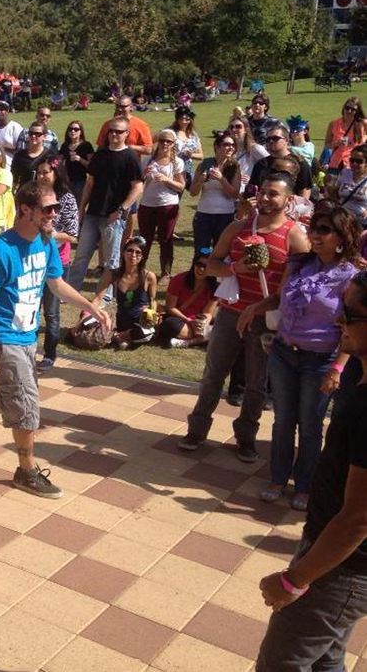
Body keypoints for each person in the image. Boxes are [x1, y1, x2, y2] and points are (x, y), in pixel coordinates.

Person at [0, 182, 110, 494]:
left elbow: (56, 283)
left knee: (14, 395)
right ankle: (26, 471)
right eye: (47, 209)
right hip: (3, 337)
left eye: (56, 208)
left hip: (27, 336)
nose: (54, 214)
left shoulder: (45, 242)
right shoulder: (0, 250)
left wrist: (90, 306)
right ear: (25, 210)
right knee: (27, 407)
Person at [254, 269, 367, 671]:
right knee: (325, 661)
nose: (338, 321)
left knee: (281, 664)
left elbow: (357, 519)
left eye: (349, 314)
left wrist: (295, 579)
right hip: (332, 556)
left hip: (342, 570)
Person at [179, 172, 310, 461]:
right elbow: (210, 266)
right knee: (213, 375)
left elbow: (300, 286)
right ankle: (197, 430)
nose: (264, 197)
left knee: (256, 382)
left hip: (267, 320)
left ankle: (246, 437)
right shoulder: (237, 228)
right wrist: (236, 268)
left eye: (273, 193)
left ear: (288, 200)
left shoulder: (295, 237)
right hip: (230, 313)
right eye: (262, 191)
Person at [238, 204, 360, 511]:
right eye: (313, 228)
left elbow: (354, 328)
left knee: (309, 425)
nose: (315, 236)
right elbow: (279, 297)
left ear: (341, 238)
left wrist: (337, 368)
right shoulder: (298, 264)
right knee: (282, 421)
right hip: (283, 353)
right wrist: (254, 308)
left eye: (324, 230)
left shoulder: (351, 277)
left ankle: (304, 484)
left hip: (319, 361)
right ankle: (278, 478)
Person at [68, 117, 144, 299]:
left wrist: (121, 210)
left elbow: (138, 187)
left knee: (112, 259)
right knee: (81, 255)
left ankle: (106, 294)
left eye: (118, 131)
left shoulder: (130, 157)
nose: (114, 135)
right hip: (93, 212)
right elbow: (90, 183)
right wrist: (81, 208)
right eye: (111, 131)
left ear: (127, 133)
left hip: (114, 216)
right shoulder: (100, 154)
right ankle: (71, 291)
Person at [35, 153, 79, 372]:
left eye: (46, 172)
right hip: (32, 259)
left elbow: (72, 235)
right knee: (32, 307)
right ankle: (27, 350)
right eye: (39, 172)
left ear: (55, 173)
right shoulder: (33, 196)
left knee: (51, 312)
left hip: (57, 261)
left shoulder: (67, 199)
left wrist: (49, 234)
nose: (42, 176)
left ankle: (49, 354)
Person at [89, 236, 158, 349]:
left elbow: (153, 300)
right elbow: (98, 298)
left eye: (138, 252)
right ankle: (124, 337)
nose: (133, 255)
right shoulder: (113, 274)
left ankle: (118, 336)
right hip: (122, 320)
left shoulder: (148, 276)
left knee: (146, 333)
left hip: (141, 322)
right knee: (90, 319)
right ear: (123, 252)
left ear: (142, 256)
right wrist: (88, 314)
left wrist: (152, 313)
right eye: (130, 250)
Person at [137, 128, 186, 282]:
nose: (165, 144)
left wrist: (166, 180)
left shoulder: (177, 162)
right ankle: (139, 269)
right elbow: (138, 181)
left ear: (173, 144)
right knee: (145, 239)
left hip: (167, 204)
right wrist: (144, 174)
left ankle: (165, 272)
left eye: (169, 141)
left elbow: (181, 186)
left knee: (166, 239)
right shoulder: (147, 160)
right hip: (147, 204)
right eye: (162, 140)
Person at [190, 131, 240, 252]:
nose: (230, 148)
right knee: (202, 250)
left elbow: (234, 194)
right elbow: (193, 192)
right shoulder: (205, 164)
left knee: (220, 251)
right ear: (217, 147)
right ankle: (200, 270)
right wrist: (200, 181)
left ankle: (214, 271)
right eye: (226, 144)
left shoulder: (234, 166)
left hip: (225, 215)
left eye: (233, 145)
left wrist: (222, 180)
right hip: (204, 215)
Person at [159, 247, 218, 348]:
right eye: (199, 265)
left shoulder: (214, 287)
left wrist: (202, 324)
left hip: (198, 322)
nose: (201, 269)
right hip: (180, 319)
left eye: (206, 266)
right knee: (170, 325)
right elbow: (170, 307)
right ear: (194, 264)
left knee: (223, 328)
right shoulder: (179, 279)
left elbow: (208, 313)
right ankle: (203, 338)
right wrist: (189, 321)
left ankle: (187, 342)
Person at [250, 122, 313, 198]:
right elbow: (254, 188)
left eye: (275, 138)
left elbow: (305, 191)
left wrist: (300, 208)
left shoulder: (300, 163)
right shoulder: (261, 164)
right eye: (268, 139)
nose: (271, 141)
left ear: (286, 140)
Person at [324, 97, 366, 175]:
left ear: (357, 111)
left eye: (353, 109)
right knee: (332, 186)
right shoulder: (334, 124)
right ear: (344, 108)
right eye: (347, 108)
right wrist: (337, 143)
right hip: (335, 163)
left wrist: (363, 139)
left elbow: (363, 139)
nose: (349, 111)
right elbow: (327, 145)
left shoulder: (360, 124)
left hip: (352, 164)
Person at [59, 120, 94, 203]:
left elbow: (92, 165)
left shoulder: (86, 145)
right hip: (67, 179)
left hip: (81, 181)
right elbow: (59, 161)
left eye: (76, 129)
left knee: (79, 203)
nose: (73, 131)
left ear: (81, 132)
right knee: (67, 203)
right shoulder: (65, 145)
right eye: (70, 129)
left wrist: (80, 159)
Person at [334, 144, 367, 227]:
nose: (354, 163)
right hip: (343, 220)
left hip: (362, 223)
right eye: (352, 160)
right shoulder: (345, 172)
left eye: (359, 161)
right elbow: (335, 192)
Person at [11, 121, 50, 190]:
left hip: (43, 194)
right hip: (24, 194)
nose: (33, 136)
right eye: (31, 133)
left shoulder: (50, 155)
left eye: (37, 134)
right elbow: (14, 179)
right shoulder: (19, 156)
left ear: (44, 136)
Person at [171, 106, 202, 183]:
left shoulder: (193, 135)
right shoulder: (171, 132)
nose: (184, 122)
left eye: (187, 119)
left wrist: (191, 155)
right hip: (173, 169)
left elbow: (201, 156)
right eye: (181, 119)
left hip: (187, 170)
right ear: (177, 119)